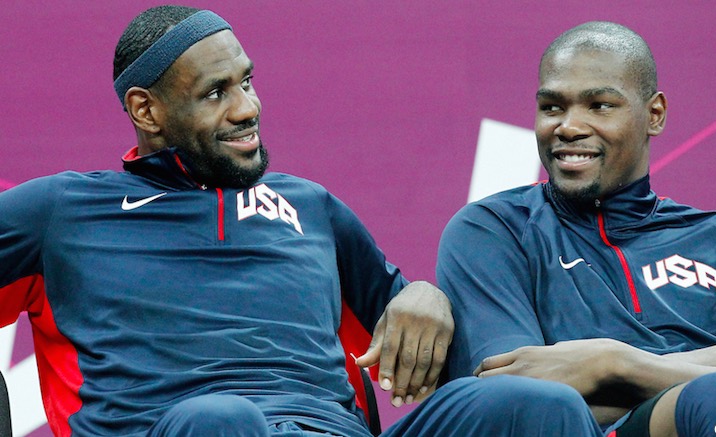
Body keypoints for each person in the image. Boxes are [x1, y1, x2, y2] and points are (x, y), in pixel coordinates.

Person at [0, 5, 608, 437]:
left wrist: (426, 294)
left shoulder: (309, 206)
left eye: (247, 81)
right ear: (147, 110)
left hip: (326, 428)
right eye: (215, 93)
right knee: (221, 419)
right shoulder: (60, 212)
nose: (247, 108)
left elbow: (416, 342)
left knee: (537, 406)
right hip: (192, 427)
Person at [437, 21, 716, 437]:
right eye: (552, 107)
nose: (568, 126)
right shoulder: (494, 229)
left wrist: (610, 363)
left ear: (654, 115)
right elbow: (520, 401)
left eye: (600, 105)